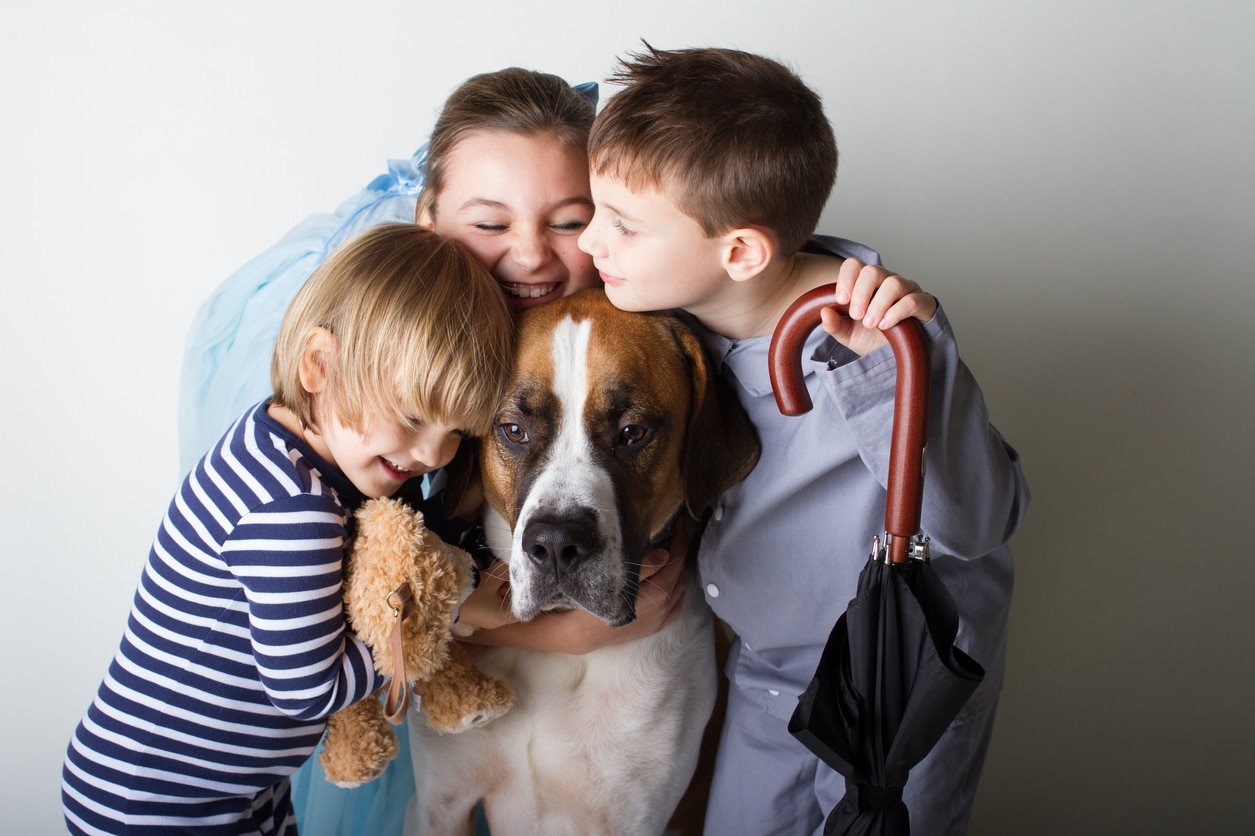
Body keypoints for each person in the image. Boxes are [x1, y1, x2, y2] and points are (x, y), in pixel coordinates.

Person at [178, 68, 688, 834]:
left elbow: (741, 247)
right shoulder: (345, 376)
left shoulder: (633, 330)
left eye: (566, 221)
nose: (529, 259)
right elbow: (350, 615)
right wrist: (553, 628)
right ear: (428, 222)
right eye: (489, 224)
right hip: (223, 767)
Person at [577, 44, 1030, 836]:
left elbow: (979, 522)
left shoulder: (885, 337)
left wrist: (885, 369)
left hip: (899, 677)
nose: (590, 244)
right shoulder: (676, 318)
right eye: (593, 213)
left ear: (741, 252)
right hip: (769, 663)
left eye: (621, 225)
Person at [61, 224, 516, 835]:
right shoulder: (292, 510)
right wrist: (437, 617)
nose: (433, 453)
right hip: (156, 796)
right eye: (412, 417)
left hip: (230, 779)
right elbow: (309, 690)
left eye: (457, 431)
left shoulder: (277, 443)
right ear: (319, 366)